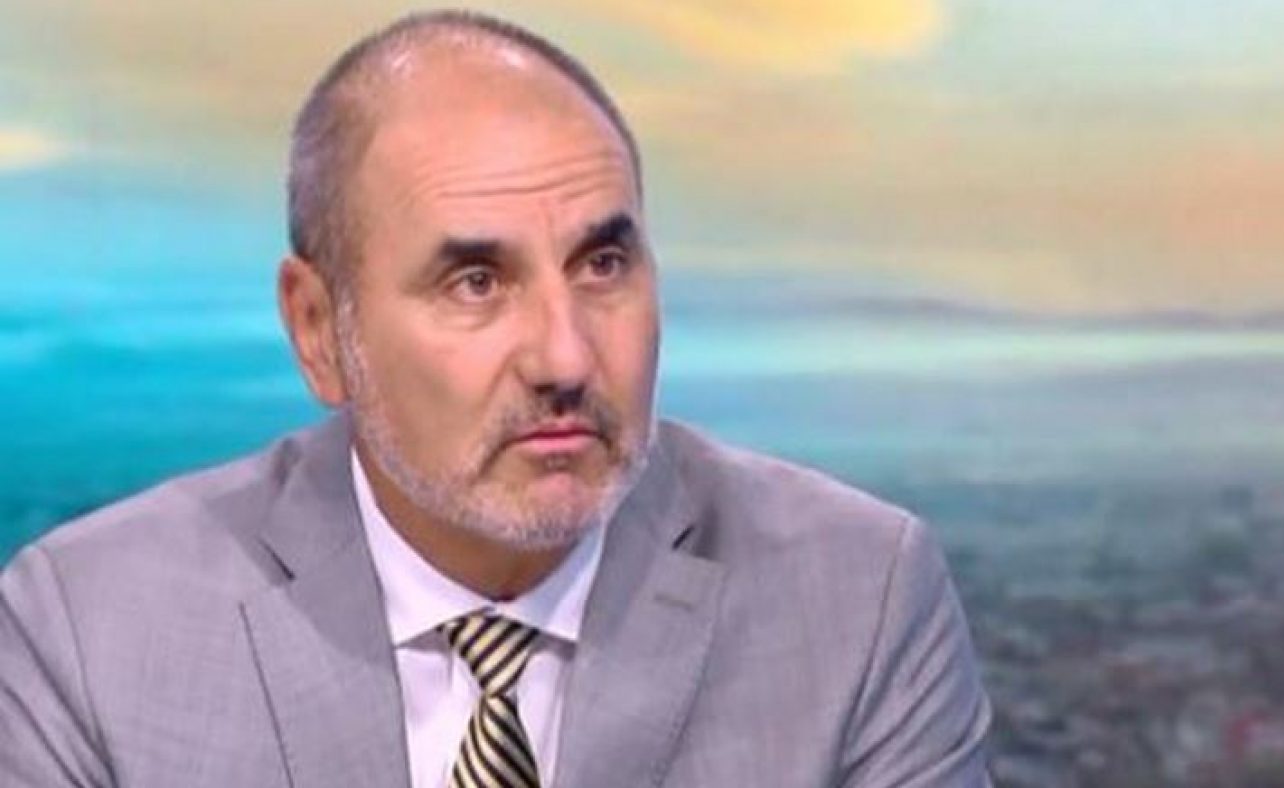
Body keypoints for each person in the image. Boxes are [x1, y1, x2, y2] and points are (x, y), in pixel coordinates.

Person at [0, 10, 992, 787]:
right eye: (475, 283)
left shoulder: (856, 599)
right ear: (318, 329)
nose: (565, 357)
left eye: (603, 265)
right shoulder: (92, 632)